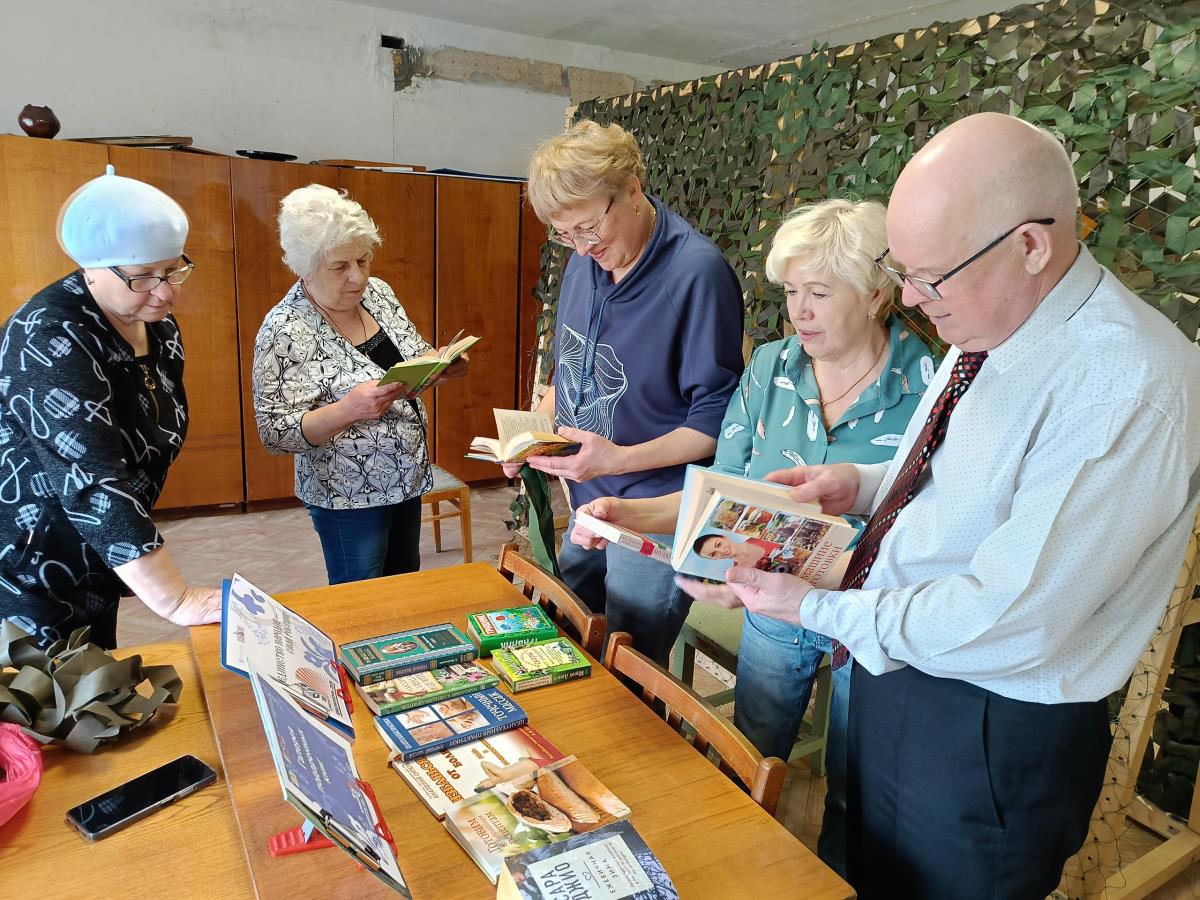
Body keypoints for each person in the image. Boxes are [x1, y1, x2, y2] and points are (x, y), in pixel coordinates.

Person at [675, 113, 1200, 899]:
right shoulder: (989, 315)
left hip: (988, 719)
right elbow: (964, 478)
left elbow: (1013, 617)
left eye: (931, 276)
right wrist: (861, 483)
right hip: (902, 660)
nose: (912, 298)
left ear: (1030, 245)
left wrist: (814, 608)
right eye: (902, 269)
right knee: (861, 864)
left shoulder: (1125, 383)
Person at [572, 198, 935, 878]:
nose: (799, 312)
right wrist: (628, 513)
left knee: (857, 787)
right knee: (748, 754)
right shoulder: (772, 367)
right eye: (791, 292)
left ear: (875, 293)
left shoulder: (929, 386)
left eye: (819, 292)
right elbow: (720, 497)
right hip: (771, 606)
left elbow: (932, 529)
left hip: (869, 618)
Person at [516, 120, 745, 665]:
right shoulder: (584, 260)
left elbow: (716, 421)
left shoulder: (696, 273)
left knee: (629, 668)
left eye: (588, 226)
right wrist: (530, 435)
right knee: (567, 638)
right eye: (564, 234)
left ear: (633, 189)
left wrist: (617, 458)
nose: (581, 246)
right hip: (588, 499)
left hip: (654, 509)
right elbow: (568, 372)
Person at [0, 165, 221, 648]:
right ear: (92, 269)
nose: (165, 291)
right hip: (26, 567)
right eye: (142, 277)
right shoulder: (49, 336)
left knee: (98, 677)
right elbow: (90, 479)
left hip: (98, 552)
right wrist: (175, 598)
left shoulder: (156, 323)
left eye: (174, 270)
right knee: (43, 688)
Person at [253, 185, 466, 585]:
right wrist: (348, 410)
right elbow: (275, 433)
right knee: (361, 596)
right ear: (305, 268)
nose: (358, 277)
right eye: (340, 267)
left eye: (363, 260)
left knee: (403, 585)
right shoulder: (285, 329)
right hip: (347, 496)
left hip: (406, 479)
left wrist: (440, 365)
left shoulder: (379, 294)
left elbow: (413, 354)